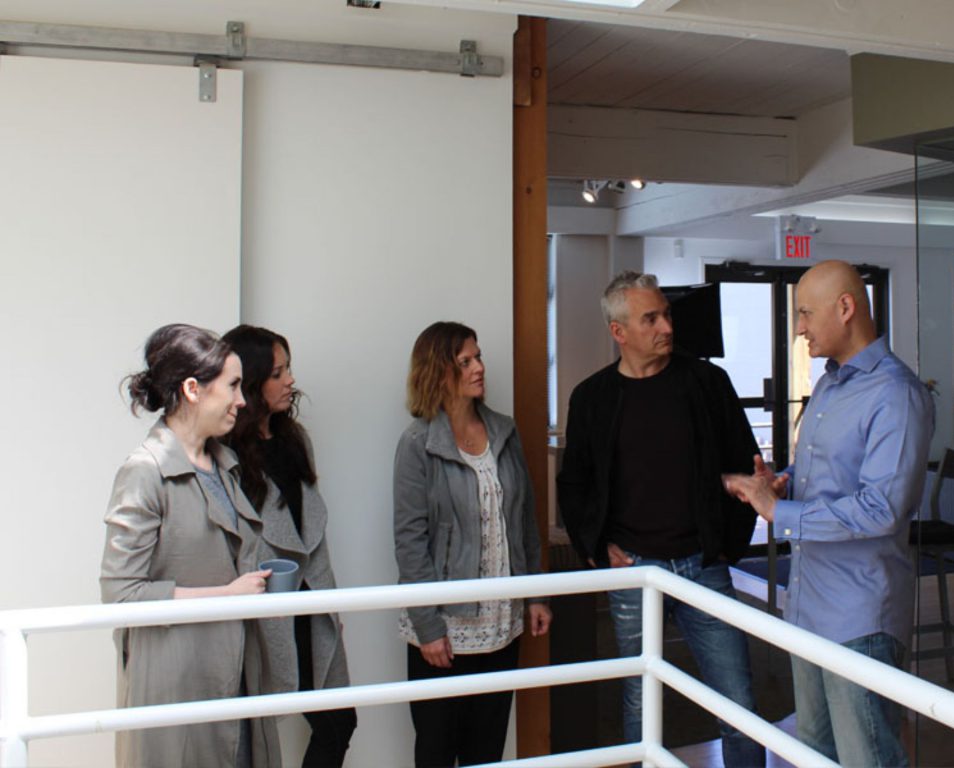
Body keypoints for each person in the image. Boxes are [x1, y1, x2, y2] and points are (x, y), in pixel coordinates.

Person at [723, 260, 935, 767]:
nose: (799, 328)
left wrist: (780, 511)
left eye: (805, 313)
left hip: (860, 616)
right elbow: (829, 472)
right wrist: (784, 480)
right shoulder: (830, 383)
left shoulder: (896, 394)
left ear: (845, 308)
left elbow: (881, 508)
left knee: (867, 759)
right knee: (815, 753)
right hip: (810, 607)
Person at [557, 271, 766, 767]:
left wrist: (727, 535)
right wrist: (597, 547)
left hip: (704, 564)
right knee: (640, 700)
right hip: (635, 571)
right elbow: (575, 483)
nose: (667, 327)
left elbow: (744, 460)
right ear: (619, 332)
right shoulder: (591, 397)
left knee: (739, 702)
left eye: (666, 315)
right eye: (650, 319)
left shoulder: (707, 382)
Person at [100, 324, 281, 768]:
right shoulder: (144, 472)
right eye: (233, 386)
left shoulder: (224, 465)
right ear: (193, 389)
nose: (242, 400)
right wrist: (227, 596)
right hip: (177, 686)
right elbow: (121, 595)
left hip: (237, 678)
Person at [393, 321, 553, 768]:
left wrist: (535, 594)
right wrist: (428, 627)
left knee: (487, 752)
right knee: (436, 750)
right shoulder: (418, 443)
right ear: (438, 372)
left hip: (502, 624)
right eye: (465, 361)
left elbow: (524, 520)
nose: (479, 367)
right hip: (444, 629)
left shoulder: (504, 431)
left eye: (477, 357)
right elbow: (409, 541)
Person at [223, 324, 357, 767]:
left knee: (339, 720)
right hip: (265, 607)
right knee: (255, 733)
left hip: (310, 601)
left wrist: (329, 606)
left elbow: (312, 531)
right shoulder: (226, 455)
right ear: (252, 382)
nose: (290, 381)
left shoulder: (295, 439)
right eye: (278, 373)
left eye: (288, 369)